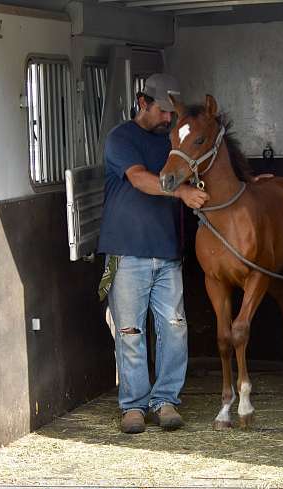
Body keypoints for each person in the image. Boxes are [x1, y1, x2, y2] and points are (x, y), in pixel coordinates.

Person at [97, 73, 209, 434]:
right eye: (162, 111)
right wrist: (180, 194)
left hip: (166, 250)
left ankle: (166, 401)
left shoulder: (172, 140)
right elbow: (140, 179)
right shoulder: (121, 138)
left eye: (171, 113)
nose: (167, 119)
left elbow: (199, 166)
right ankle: (133, 405)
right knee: (130, 331)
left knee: (174, 329)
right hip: (127, 250)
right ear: (143, 103)